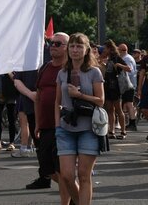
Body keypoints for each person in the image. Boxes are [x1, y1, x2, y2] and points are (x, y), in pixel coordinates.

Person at [55, 33, 104, 205]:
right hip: (65, 128)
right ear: (68, 50)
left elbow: (101, 100)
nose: (75, 50)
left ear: (86, 49)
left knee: (84, 176)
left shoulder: (94, 72)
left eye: (79, 46)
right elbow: (57, 101)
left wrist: (80, 95)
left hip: (88, 128)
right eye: (72, 46)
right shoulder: (62, 72)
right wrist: (57, 126)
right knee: (67, 176)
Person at [27, 32, 68, 192]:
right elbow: (38, 97)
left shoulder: (70, 69)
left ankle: (75, 198)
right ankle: (74, 195)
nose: (53, 46)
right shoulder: (45, 67)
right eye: (52, 43)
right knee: (46, 168)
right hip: (45, 125)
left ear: (67, 48)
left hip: (64, 125)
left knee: (62, 169)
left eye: (58, 44)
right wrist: (38, 123)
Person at [101, 40, 130, 139]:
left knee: (118, 109)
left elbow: (128, 68)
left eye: (105, 48)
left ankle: (123, 131)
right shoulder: (108, 58)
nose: (103, 50)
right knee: (109, 109)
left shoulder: (116, 58)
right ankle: (111, 130)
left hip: (116, 87)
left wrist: (119, 65)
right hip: (107, 87)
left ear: (109, 48)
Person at [118, 44, 138, 131]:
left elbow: (130, 71)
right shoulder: (129, 57)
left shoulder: (127, 59)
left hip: (128, 85)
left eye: (118, 50)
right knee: (128, 104)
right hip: (129, 85)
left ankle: (132, 123)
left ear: (122, 50)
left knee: (129, 104)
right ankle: (131, 123)